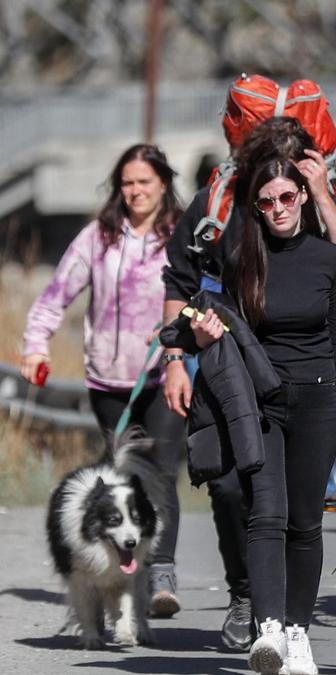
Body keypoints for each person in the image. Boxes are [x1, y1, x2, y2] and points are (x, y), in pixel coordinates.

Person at [161, 115, 336, 652]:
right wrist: (199, 335)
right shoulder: (242, 260)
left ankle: (298, 634)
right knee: (266, 515)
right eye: (266, 202)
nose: (278, 209)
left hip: (319, 403)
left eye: (286, 197)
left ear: (302, 196)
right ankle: (269, 631)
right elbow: (209, 316)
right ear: (255, 207)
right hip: (262, 405)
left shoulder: (329, 259)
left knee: (305, 524)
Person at [21, 143, 188, 619]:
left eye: (144, 182)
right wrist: (36, 344)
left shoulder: (181, 235)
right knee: (122, 474)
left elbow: (203, 294)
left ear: (163, 183)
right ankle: (122, 577)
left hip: (165, 373)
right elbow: (58, 292)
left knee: (160, 471)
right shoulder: (99, 236)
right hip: (108, 381)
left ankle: (161, 575)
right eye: (127, 183)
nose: (135, 191)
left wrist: (178, 333)